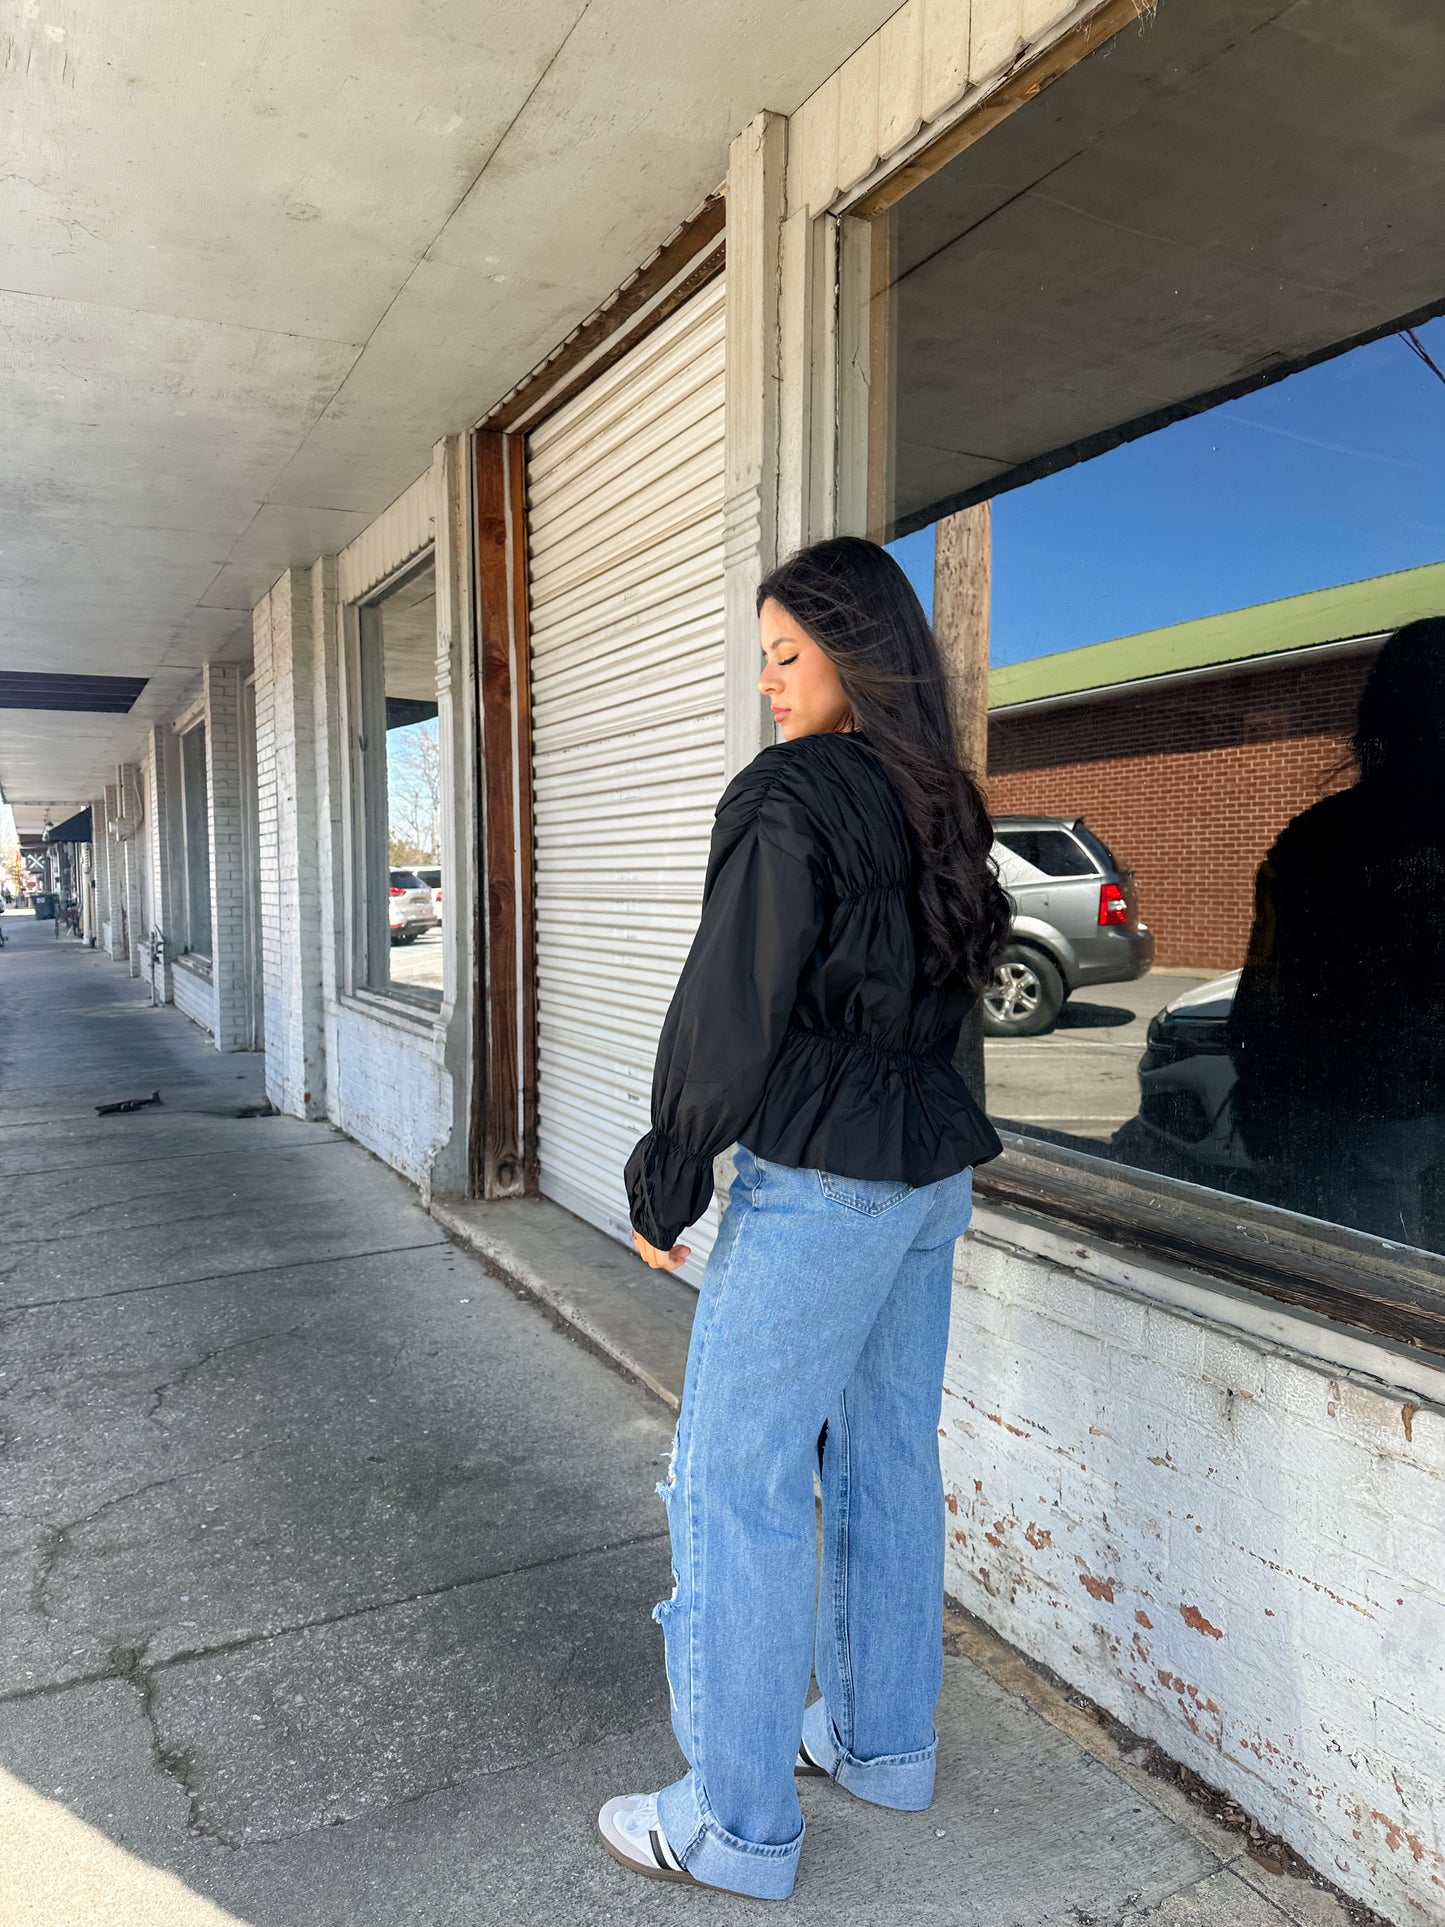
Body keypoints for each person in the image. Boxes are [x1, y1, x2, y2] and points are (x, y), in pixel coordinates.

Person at [598, 537, 1010, 1899]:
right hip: (926, 1180)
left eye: (787, 652)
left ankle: (733, 1824)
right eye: (763, 657)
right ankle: (884, 1744)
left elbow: (730, 1004)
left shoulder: (792, 794)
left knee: (736, 1481)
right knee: (887, 1453)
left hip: (826, 1178)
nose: (767, 682)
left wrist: (670, 1167)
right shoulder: (938, 800)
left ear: (855, 649)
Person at [1228, 617, 1445, 1249]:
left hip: (1353, 1126)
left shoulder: (1314, 844)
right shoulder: (1315, 847)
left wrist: (1262, 1117)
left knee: (1369, 1309)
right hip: (1360, 1121)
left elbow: (1264, 998)